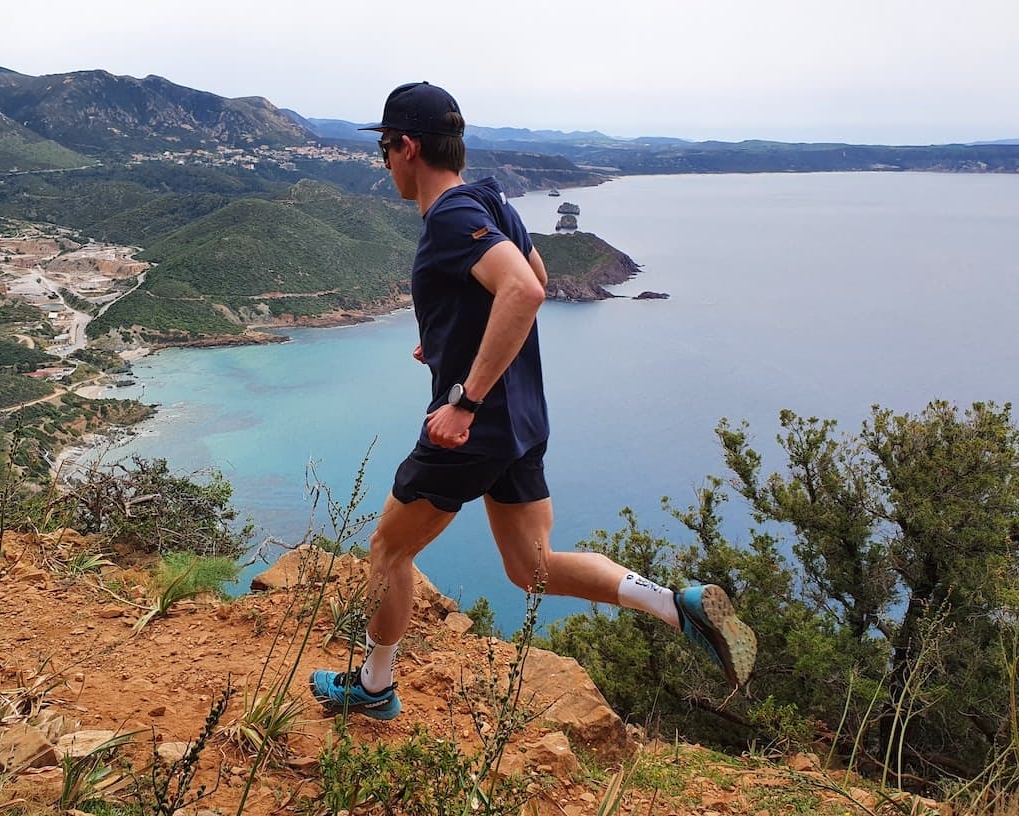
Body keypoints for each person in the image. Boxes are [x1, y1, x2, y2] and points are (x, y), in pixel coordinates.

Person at [311, 82, 755, 720]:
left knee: (389, 549)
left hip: (474, 430)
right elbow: (534, 276)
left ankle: (374, 689)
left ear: (407, 147)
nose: (383, 164)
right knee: (532, 566)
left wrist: (465, 397)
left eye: (384, 148)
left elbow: (523, 291)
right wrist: (448, 338)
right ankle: (672, 603)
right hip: (522, 423)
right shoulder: (494, 200)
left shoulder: (450, 217)